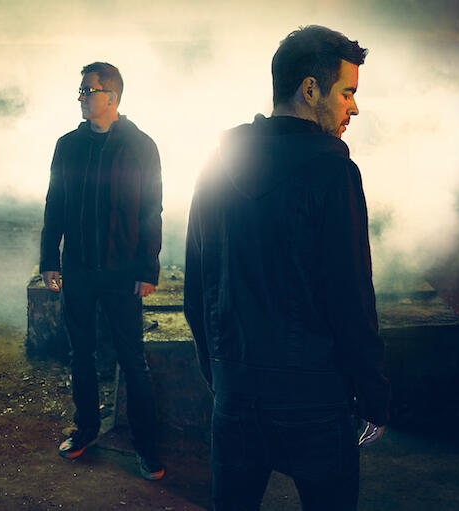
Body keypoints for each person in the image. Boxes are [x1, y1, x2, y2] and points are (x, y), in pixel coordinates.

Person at [183, 26, 390, 510]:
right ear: (310, 89)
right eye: (347, 93)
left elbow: (197, 286)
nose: (354, 108)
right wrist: (373, 395)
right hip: (314, 400)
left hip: (235, 393)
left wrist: (221, 375)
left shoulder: (216, 164)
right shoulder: (334, 173)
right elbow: (351, 297)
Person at [40, 61, 165, 480]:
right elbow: (55, 203)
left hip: (122, 272)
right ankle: (86, 428)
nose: (80, 97)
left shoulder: (141, 146)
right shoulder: (68, 145)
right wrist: (49, 259)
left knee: (132, 359)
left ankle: (147, 447)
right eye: (80, 91)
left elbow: (151, 210)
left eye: (87, 90)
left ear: (110, 98)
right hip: (78, 268)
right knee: (81, 354)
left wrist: (147, 268)